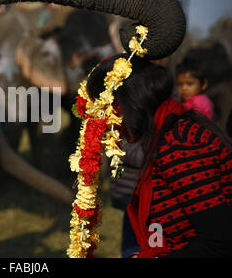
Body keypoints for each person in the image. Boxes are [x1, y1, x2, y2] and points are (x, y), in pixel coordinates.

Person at [87, 54, 232, 257]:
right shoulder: (165, 137)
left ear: (129, 104)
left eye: (107, 110)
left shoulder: (180, 145)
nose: (106, 124)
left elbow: (220, 242)